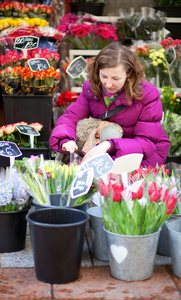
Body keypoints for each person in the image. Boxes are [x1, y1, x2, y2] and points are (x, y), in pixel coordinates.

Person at [50, 42, 170, 167]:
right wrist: (65, 139)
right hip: (103, 148)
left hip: (142, 155)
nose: (108, 84)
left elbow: (146, 142)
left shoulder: (147, 95)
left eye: (115, 78)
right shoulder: (91, 87)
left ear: (129, 73)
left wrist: (109, 145)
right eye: (104, 76)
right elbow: (71, 116)